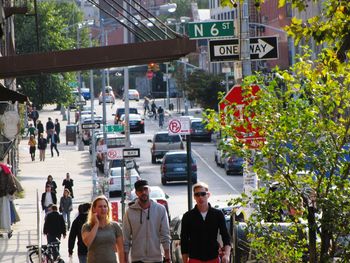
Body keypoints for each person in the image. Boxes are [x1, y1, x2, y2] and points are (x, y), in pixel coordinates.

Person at [180, 182, 231, 263]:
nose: (200, 197)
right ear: (194, 197)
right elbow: (184, 241)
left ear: (208, 195)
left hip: (213, 258)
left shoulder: (217, 214)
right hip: (194, 259)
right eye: (197, 194)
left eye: (203, 194)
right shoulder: (188, 216)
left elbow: (225, 236)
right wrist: (185, 260)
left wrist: (227, 255)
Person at [122, 180, 171, 263]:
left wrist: (168, 258)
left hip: (156, 258)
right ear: (136, 193)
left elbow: (165, 235)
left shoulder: (160, 209)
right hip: (137, 259)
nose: (143, 192)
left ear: (149, 190)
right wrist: (125, 260)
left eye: (145, 189)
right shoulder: (129, 212)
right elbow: (126, 239)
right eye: (140, 190)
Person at [82, 195, 124, 263]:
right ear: (94, 209)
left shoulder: (115, 226)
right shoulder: (87, 226)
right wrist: (96, 224)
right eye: (100, 206)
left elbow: (121, 249)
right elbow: (87, 242)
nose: (103, 209)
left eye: (105, 206)